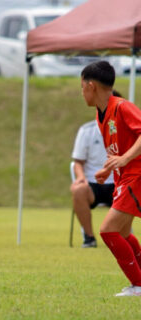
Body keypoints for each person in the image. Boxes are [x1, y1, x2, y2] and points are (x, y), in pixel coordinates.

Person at [81, 60, 141, 296]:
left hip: (136, 177)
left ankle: (138, 285)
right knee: (124, 234)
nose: (81, 92)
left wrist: (125, 159)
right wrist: (109, 168)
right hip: (123, 178)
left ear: (91, 85)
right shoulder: (101, 114)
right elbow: (119, 148)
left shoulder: (122, 107)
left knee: (108, 231)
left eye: (81, 86)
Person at [71, 120, 114, 248]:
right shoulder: (86, 130)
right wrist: (81, 177)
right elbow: (78, 162)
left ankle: (124, 235)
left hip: (119, 183)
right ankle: (89, 237)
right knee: (78, 189)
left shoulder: (126, 129)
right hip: (93, 184)